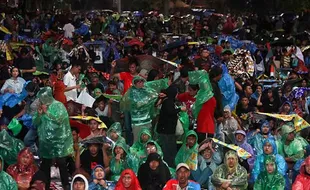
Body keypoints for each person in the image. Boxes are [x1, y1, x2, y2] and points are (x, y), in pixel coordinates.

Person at [32, 87, 73, 190]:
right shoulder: (41, 107)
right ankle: (45, 186)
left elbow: (59, 120)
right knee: (45, 165)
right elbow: (35, 123)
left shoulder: (58, 105)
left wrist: (47, 113)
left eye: (42, 98)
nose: (40, 100)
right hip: (46, 142)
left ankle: (66, 186)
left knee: (62, 164)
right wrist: (39, 115)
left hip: (59, 142)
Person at [121, 76, 158, 143]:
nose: (140, 83)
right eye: (138, 82)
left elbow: (154, 96)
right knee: (137, 141)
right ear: (135, 83)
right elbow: (135, 104)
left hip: (147, 121)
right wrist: (146, 101)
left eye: (142, 81)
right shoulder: (131, 92)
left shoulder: (147, 91)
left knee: (148, 140)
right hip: (137, 122)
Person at [156, 85, 185, 167]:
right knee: (168, 150)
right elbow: (170, 112)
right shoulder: (168, 102)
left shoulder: (167, 101)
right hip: (167, 131)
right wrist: (180, 109)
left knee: (169, 149)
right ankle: (170, 166)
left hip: (166, 130)